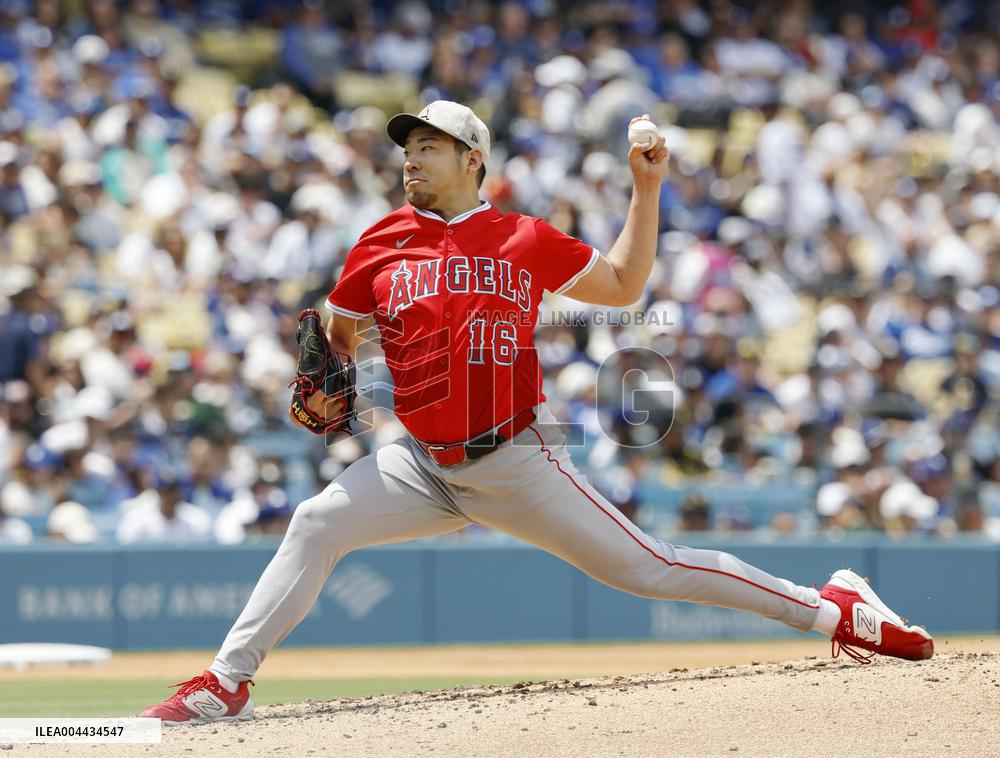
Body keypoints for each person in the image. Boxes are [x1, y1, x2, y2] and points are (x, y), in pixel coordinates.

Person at [140, 101, 933, 725]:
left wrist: (647, 189)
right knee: (317, 521)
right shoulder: (379, 241)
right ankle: (226, 683)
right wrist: (333, 368)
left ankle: (835, 610)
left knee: (647, 568)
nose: (411, 159)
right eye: (406, 147)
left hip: (514, 458)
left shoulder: (521, 237)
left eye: (429, 146)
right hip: (419, 463)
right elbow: (339, 331)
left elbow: (623, 286)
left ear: (471, 159)